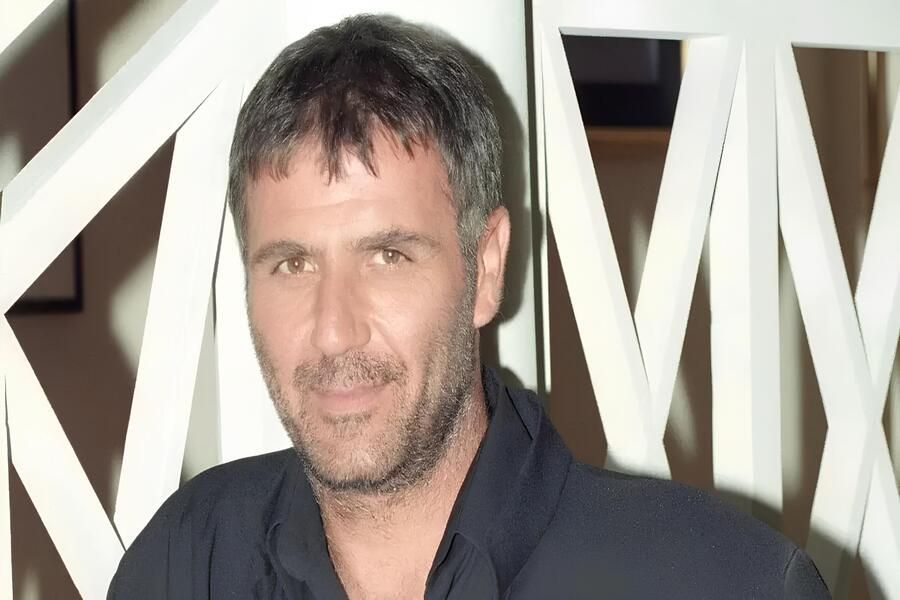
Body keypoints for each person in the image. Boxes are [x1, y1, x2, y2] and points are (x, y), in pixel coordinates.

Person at [107, 14, 830, 600]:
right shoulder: (185, 565)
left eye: (388, 256)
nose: (332, 330)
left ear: (485, 268)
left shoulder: (723, 583)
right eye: (292, 265)